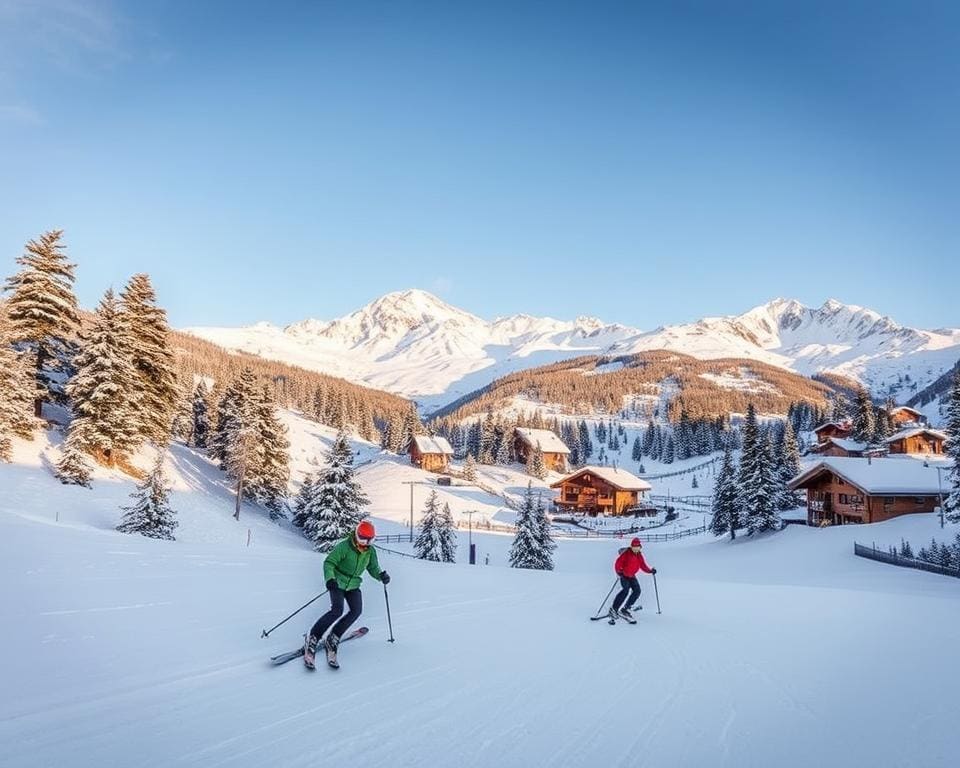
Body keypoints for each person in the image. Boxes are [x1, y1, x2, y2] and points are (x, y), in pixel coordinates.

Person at [304, 520, 390, 669]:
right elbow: (329, 562)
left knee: (356, 611)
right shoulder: (345, 546)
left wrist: (380, 575)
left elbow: (373, 568)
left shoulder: (370, 551)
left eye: (370, 540)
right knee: (337, 611)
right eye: (363, 539)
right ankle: (313, 638)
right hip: (337, 582)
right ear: (356, 535)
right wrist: (330, 579)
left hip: (354, 584)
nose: (365, 543)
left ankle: (334, 637)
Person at [609, 537, 656, 623]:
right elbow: (617, 563)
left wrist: (650, 571)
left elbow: (643, 565)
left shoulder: (639, 555)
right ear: (631, 547)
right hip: (624, 575)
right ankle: (614, 608)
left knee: (637, 591)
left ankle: (625, 608)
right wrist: (619, 572)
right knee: (625, 590)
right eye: (634, 547)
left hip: (632, 575)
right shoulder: (626, 553)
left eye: (637, 547)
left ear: (640, 547)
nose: (636, 549)